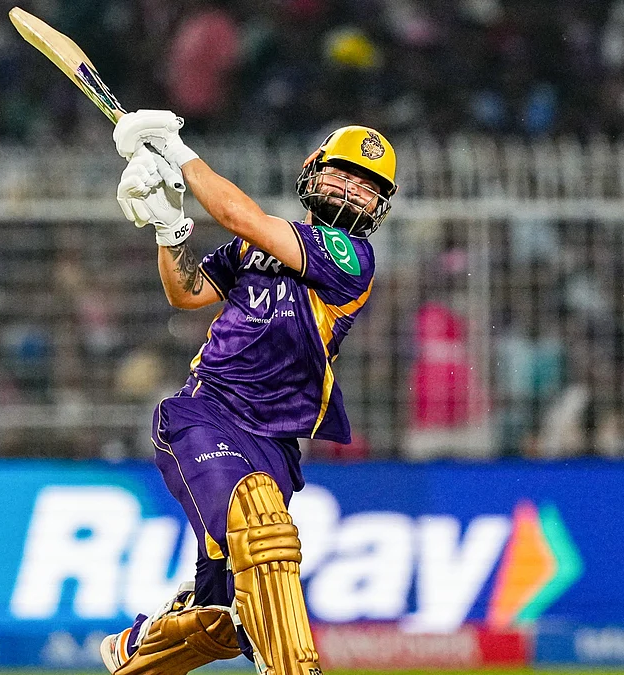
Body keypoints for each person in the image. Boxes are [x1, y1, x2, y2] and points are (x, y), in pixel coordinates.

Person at [101, 112, 397, 675]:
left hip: (277, 442)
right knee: (262, 525)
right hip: (205, 416)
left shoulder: (350, 258)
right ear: (313, 172)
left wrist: (177, 152)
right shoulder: (254, 248)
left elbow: (240, 216)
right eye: (344, 174)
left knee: (220, 622)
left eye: (368, 186)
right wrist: (170, 230)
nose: (353, 190)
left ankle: (135, 648)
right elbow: (187, 293)